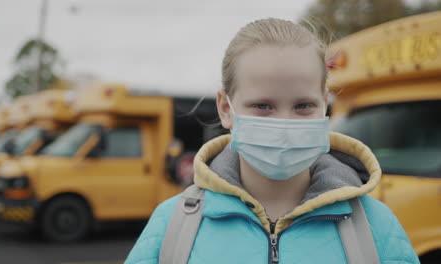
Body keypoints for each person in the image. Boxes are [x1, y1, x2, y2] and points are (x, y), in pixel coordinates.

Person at [124, 18, 419, 264]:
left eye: (303, 106)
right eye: (263, 106)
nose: (284, 125)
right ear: (226, 109)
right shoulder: (173, 226)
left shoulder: (375, 227)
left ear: (325, 104)